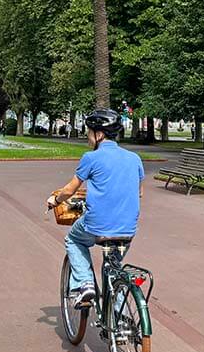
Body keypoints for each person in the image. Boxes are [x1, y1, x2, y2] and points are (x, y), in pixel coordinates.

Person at [46, 108, 145, 308]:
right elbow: (139, 192)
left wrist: (55, 201)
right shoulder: (134, 158)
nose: (87, 137)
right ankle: (120, 319)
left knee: (73, 240)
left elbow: (69, 190)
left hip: (97, 225)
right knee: (113, 269)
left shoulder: (91, 158)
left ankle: (85, 283)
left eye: (89, 132)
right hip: (128, 228)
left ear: (99, 134)